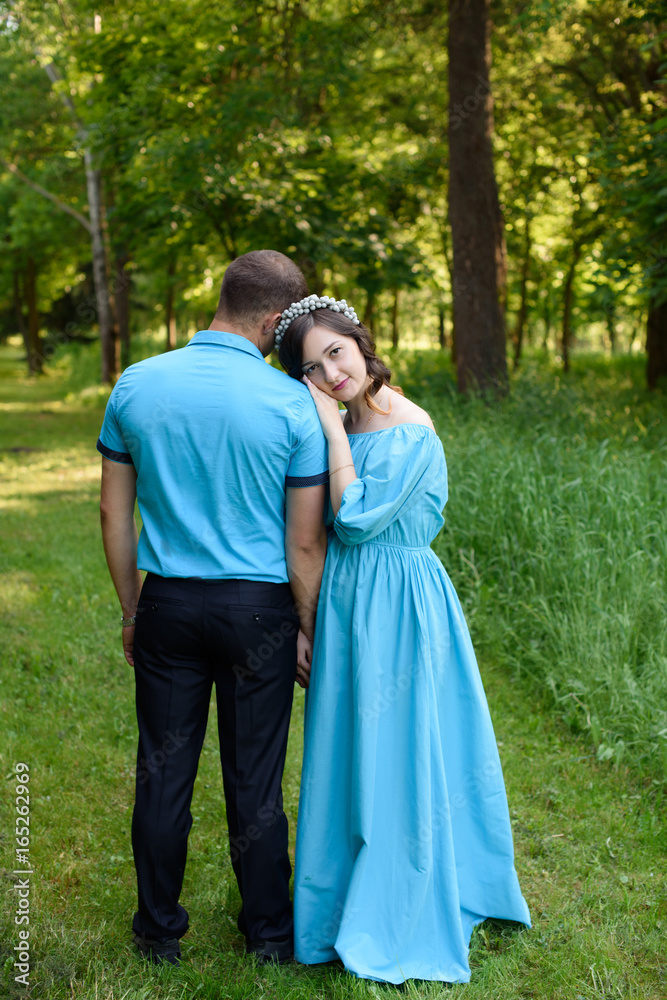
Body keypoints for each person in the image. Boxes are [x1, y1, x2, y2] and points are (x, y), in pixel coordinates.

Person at [276, 294, 531, 984]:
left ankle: (403, 903)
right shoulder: (343, 421)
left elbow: (355, 520)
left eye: (336, 352)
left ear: (359, 343)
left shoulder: (409, 428)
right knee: (346, 750)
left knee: (402, 747)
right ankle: (335, 907)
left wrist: (331, 435)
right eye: (312, 367)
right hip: (346, 601)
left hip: (400, 600)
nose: (331, 373)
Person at [97, 252, 328, 967]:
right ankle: (267, 936)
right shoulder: (291, 403)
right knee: (254, 777)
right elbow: (302, 544)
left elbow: (112, 509)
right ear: (270, 320)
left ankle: (157, 931)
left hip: (168, 601)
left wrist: (134, 608)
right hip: (258, 613)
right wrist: (308, 628)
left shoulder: (136, 383)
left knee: (162, 772)